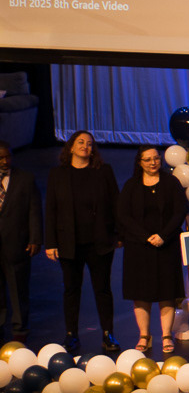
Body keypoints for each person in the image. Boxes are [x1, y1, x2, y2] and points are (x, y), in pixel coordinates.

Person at [44, 131, 120, 354]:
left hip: (100, 242)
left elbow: (116, 204)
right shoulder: (58, 174)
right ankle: (71, 334)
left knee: (103, 289)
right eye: (80, 142)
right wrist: (50, 243)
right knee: (71, 290)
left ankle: (108, 333)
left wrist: (118, 235)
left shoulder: (104, 171)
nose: (85, 146)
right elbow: (51, 210)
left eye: (89, 143)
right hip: (69, 242)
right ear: (70, 147)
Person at [118, 145, 188, 354]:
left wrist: (163, 235)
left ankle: (166, 335)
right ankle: (144, 335)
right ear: (140, 162)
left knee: (167, 291)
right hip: (138, 247)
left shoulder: (171, 183)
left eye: (156, 158)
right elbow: (123, 215)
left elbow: (179, 211)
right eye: (147, 159)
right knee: (140, 293)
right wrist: (145, 237)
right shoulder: (131, 185)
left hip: (166, 245)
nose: (153, 163)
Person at [0, 140, 42, 345]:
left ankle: (19, 330)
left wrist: (35, 239)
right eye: (1, 158)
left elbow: (34, 211)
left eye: (8, 156)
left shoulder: (25, 179)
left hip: (17, 244)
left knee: (19, 290)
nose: (5, 161)